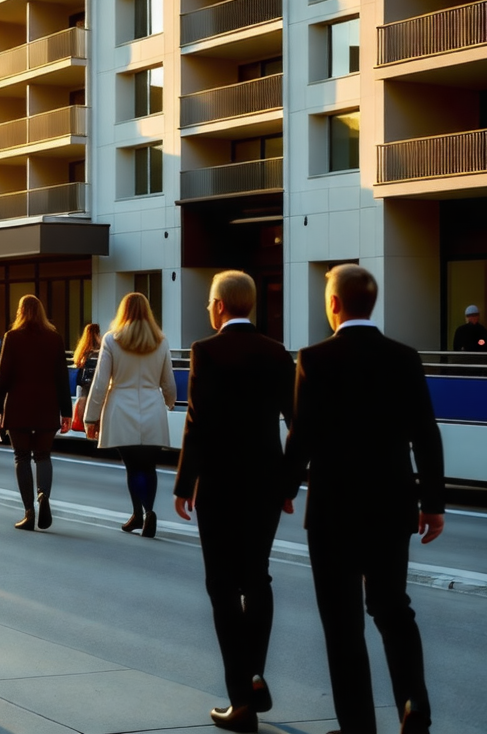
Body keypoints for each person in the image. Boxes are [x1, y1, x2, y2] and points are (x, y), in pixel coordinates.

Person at [284, 264, 444, 734]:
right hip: (394, 504)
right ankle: (413, 704)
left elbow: (302, 436)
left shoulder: (314, 358)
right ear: (371, 303)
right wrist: (432, 502)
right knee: (393, 607)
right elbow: (426, 435)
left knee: (343, 623)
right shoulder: (405, 358)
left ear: (333, 304)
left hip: (333, 507)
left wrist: (285, 487)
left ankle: (357, 727)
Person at [173, 271, 295, 733]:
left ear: (220, 307)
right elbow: (296, 421)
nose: (208, 309)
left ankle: (240, 699)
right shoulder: (277, 353)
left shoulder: (206, 351)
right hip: (265, 483)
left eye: (209, 303)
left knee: (222, 586)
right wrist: (289, 483)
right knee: (257, 578)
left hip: (220, 485)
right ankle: (256, 673)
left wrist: (185, 483)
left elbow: (197, 420)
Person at [84, 293, 177, 538]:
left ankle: (139, 513)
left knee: (133, 467)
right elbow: (168, 381)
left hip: (121, 409)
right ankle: (149, 511)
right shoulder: (161, 341)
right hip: (152, 407)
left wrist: (90, 417)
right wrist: (169, 402)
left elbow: (100, 382)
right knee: (149, 466)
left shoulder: (112, 340)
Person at [0, 295, 74, 530]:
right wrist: (66, 412)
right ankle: (43, 495)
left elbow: (3, 375)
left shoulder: (12, 337)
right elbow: (61, 378)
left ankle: (29, 512)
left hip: (19, 407)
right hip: (48, 406)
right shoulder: (54, 339)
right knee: (43, 455)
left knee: (22, 457)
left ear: (20, 312)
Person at [72, 323, 101, 408]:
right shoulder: (99, 352)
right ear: (97, 334)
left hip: (82, 386)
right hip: (95, 386)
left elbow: (77, 363)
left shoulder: (82, 352)